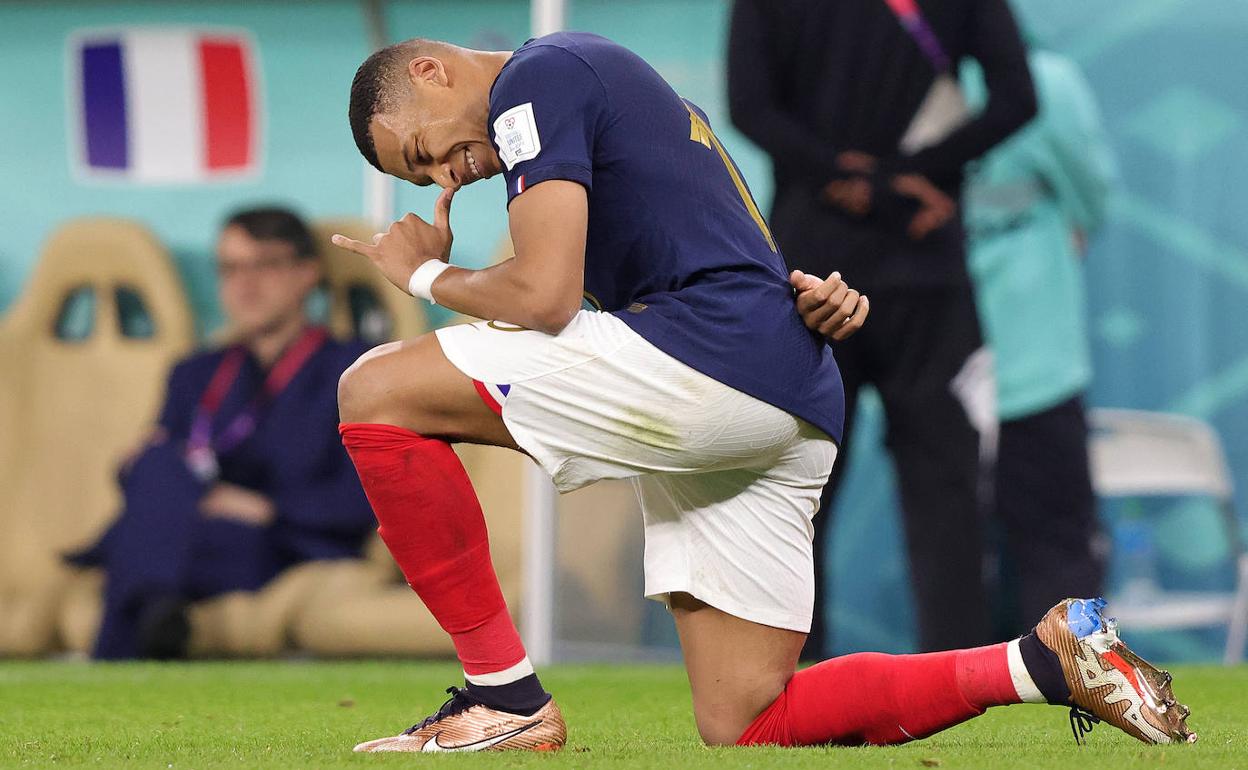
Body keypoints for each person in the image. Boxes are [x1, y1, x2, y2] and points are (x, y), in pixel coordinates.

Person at [328, 32, 1193, 752]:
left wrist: (428, 272)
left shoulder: (533, 81)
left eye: (422, 151)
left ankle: (504, 698)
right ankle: (1044, 661)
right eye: (424, 179)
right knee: (748, 716)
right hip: (787, 389)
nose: (446, 175)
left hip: (708, 364)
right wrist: (807, 295)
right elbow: (661, 251)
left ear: (431, 71)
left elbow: (545, 299)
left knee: (372, 387)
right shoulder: (600, 80)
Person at [727, 0, 1039, 658]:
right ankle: (955, 685)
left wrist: (843, 177)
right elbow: (1017, 98)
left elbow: (750, 108)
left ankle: (793, 685)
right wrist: (914, 179)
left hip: (812, 276)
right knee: (944, 493)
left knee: (798, 492)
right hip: (925, 261)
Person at [68, 207, 375, 659]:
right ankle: (156, 612)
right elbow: (152, 476)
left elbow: (364, 495)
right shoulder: (195, 374)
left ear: (307, 273)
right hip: (192, 529)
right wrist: (151, 470)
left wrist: (265, 509)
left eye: (264, 265)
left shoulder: (354, 369)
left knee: (145, 542)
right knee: (154, 463)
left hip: (277, 539)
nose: (245, 284)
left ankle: (122, 648)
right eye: (230, 268)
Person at [962, 46, 1117, 631]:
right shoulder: (1048, 79)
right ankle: (1081, 684)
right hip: (1028, 356)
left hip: (949, 365)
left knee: (957, 555)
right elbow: (1091, 197)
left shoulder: (890, 80)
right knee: (1055, 542)